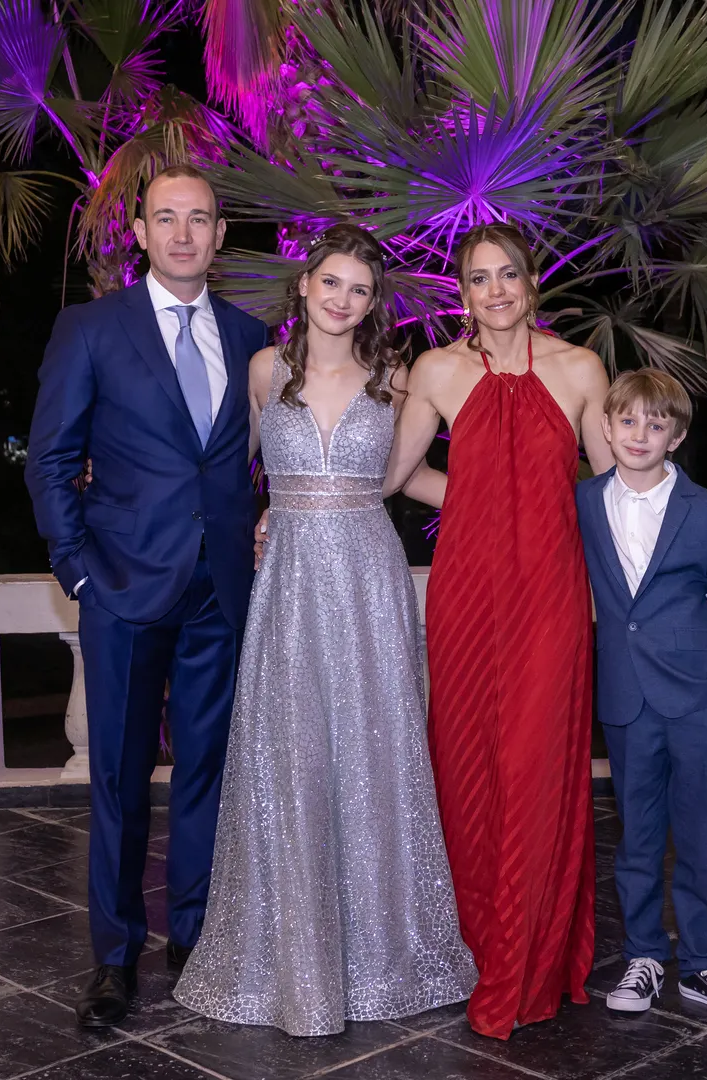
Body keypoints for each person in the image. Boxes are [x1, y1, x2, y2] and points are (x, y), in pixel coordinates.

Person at [172, 224, 478, 1036]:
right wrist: (250, 517)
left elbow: (410, 477)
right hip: (290, 582)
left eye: (360, 289)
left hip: (369, 579)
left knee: (376, 754)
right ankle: (294, 961)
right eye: (332, 282)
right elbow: (226, 475)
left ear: (373, 304)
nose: (343, 299)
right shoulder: (263, 370)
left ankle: (382, 956)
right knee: (292, 754)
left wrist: (509, 503)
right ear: (305, 285)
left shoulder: (396, 377)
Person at [25, 165, 267, 1028]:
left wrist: (261, 526)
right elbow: (52, 458)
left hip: (220, 591)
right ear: (140, 232)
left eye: (198, 219)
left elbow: (252, 457)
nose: (183, 234)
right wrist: (78, 569)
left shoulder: (251, 336)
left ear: (220, 234)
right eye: (166, 218)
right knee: (120, 780)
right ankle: (115, 957)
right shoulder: (91, 328)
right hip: (122, 587)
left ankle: (193, 938)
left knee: (207, 770)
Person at [383, 223, 613, 1040]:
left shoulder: (579, 367)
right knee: (469, 762)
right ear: (463, 293)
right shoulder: (437, 370)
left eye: (507, 274)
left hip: (551, 594)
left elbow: (609, 487)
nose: (495, 291)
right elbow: (397, 475)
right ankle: (477, 948)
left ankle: (532, 956)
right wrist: (484, 496)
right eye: (478, 279)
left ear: (532, 280)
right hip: (468, 594)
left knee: (537, 762)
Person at [574, 368, 707, 1018]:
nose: (640, 434)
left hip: (699, 700)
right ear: (606, 427)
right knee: (636, 838)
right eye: (627, 420)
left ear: (676, 436)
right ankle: (645, 957)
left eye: (655, 424)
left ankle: (706, 964)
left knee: (698, 836)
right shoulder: (581, 502)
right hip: (626, 699)